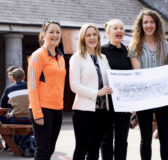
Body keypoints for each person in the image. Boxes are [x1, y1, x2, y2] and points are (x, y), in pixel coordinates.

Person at [129, 9, 168, 160]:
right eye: (145, 22)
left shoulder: (165, 44)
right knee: (145, 138)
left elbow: (167, 70)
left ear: (157, 24)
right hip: (144, 98)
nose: (149, 25)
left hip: (162, 98)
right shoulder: (135, 46)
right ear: (141, 25)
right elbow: (137, 73)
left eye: (152, 22)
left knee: (165, 137)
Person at [69, 23, 112, 160]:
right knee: (81, 148)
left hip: (102, 111)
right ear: (83, 38)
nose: (92, 38)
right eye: (88, 35)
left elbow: (110, 80)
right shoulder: (77, 58)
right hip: (83, 111)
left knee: (94, 150)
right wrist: (97, 93)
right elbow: (74, 85)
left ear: (99, 38)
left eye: (95, 35)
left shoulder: (103, 58)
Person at [27, 20, 66, 160]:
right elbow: (32, 85)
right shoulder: (38, 55)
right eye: (51, 32)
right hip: (42, 109)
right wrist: (37, 113)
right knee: (42, 151)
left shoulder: (61, 56)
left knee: (50, 149)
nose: (55, 35)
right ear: (43, 34)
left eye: (57, 32)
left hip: (57, 108)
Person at [100, 19, 132, 160]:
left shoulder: (128, 51)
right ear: (108, 32)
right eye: (115, 28)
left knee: (122, 139)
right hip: (106, 102)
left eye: (121, 28)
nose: (119, 31)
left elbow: (134, 75)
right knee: (106, 139)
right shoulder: (101, 51)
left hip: (124, 103)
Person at [0, 68, 35, 157]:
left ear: (13, 78)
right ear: (24, 77)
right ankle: (27, 142)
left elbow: (2, 104)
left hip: (17, 119)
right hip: (32, 118)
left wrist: (13, 108)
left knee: (2, 118)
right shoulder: (31, 86)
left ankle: (16, 142)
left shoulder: (9, 89)